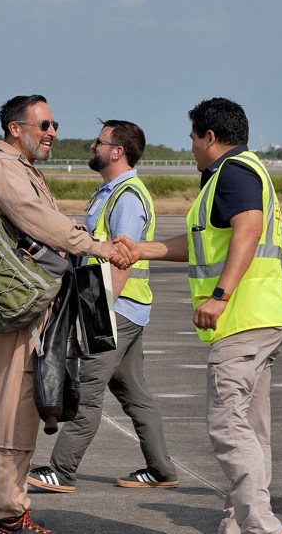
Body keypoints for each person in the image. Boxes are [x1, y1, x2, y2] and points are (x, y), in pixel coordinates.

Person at [118, 97, 282, 534]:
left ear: (210, 137)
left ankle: (262, 527)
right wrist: (145, 249)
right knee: (250, 429)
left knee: (227, 427)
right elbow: (201, 245)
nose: (191, 146)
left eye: (193, 137)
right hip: (262, 317)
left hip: (241, 319)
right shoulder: (233, 175)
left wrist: (219, 295)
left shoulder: (232, 173)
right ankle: (239, 523)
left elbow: (248, 230)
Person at [0, 95, 131, 534]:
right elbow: (37, 220)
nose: (52, 132)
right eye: (43, 124)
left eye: (53, 124)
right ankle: (8, 517)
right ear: (15, 128)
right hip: (21, 306)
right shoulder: (4, 168)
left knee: (24, 403)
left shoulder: (20, 167)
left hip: (32, 302)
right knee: (17, 408)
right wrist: (97, 245)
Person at [26, 119, 179, 493]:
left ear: (117, 151)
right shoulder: (110, 192)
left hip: (114, 309)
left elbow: (121, 260)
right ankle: (161, 469)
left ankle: (62, 470)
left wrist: (97, 316)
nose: (92, 146)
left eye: (99, 141)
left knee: (87, 391)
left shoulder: (127, 195)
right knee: (134, 393)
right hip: (122, 308)